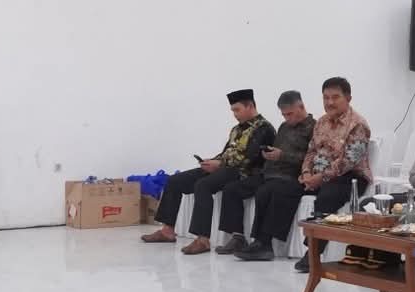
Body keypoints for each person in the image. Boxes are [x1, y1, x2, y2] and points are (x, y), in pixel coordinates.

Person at [143, 90, 274, 255]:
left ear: (250, 106)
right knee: (175, 180)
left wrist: (219, 164)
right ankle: (167, 230)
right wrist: (211, 161)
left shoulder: (264, 128)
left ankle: (203, 240)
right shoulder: (236, 129)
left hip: (244, 172)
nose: (235, 114)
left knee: (203, 185)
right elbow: (227, 152)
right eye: (233, 110)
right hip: (225, 167)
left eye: (237, 110)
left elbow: (250, 158)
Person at [290, 76, 371, 273]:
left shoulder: (358, 125)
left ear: (348, 98)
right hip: (319, 176)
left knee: (327, 197)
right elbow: (311, 151)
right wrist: (306, 173)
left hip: (350, 177)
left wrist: (321, 178)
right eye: (326, 98)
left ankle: (313, 252)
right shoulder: (321, 122)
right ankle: (267, 243)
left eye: (335, 97)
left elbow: (347, 162)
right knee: (285, 188)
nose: (330, 102)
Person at [234, 92, 316, 261]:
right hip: (275, 174)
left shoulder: (314, 127)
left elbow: (312, 158)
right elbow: (278, 152)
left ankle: (265, 243)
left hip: (297, 176)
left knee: (276, 191)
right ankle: (259, 242)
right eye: (284, 115)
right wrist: (270, 155)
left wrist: (282, 156)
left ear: (301, 107)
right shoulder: (283, 127)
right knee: (262, 191)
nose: (287, 118)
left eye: (290, 114)